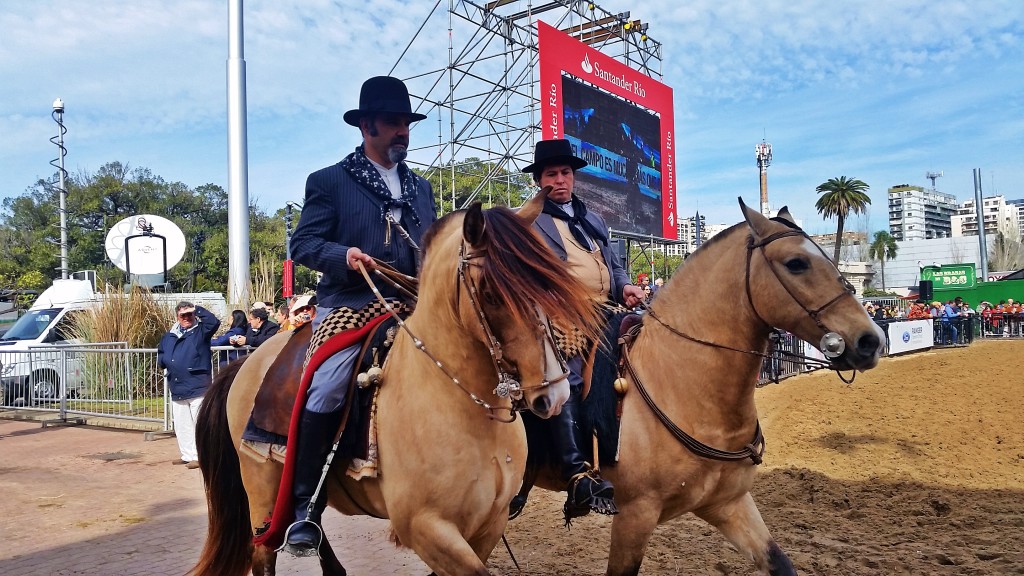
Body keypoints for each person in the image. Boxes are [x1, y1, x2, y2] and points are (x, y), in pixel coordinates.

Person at [283, 75, 437, 555]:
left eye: (407, 125)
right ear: (367, 125)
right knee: (328, 381)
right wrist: (343, 254)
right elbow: (303, 244)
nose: (403, 133)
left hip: (413, 304)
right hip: (350, 301)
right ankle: (305, 507)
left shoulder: (421, 187)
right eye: (394, 124)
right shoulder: (329, 180)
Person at [525, 138, 645, 522]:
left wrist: (625, 285)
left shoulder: (593, 219)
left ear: (573, 177)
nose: (559, 180)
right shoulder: (530, 221)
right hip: (562, 314)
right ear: (539, 181)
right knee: (569, 375)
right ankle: (577, 474)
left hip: (607, 308)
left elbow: (615, 265)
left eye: (565, 173)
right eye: (551, 174)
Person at [157, 302, 220, 470]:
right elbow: (161, 352)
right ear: (177, 316)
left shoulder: (201, 331)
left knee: (200, 422)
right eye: (183, 315)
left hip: (198, 384)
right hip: (177, 385)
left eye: (189, 315)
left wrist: (196, 309)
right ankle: (188, 455)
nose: (187, 318)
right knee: (182, 423)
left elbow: (213, 322)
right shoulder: (169, 335)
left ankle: (202, 456)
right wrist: (164, 361)